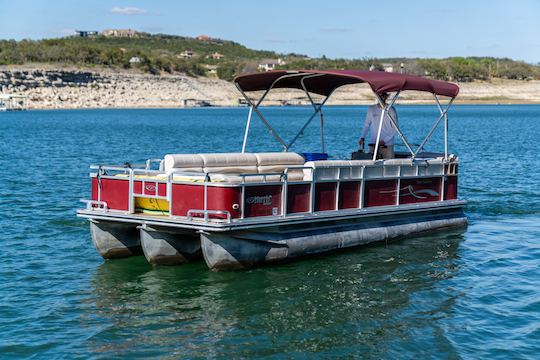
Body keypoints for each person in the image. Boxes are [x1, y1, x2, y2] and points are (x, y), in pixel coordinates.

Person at [358, 92, 398, 159]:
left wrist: (385, 140)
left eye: (384, 96)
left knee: (389, 166)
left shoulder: (391, 109)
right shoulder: (371, 109)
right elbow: (366, 124)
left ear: (386, 97)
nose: (382, 98)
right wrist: (362, 137)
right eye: (380, 96)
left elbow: (395, 127)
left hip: (387, 144)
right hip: (373, 143)